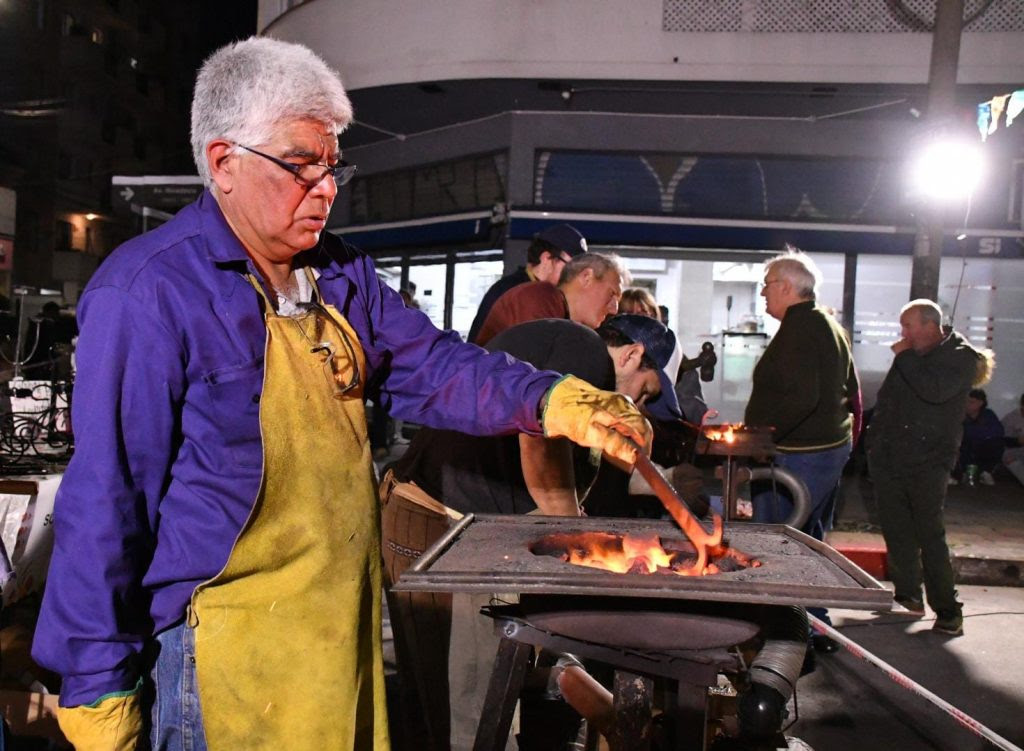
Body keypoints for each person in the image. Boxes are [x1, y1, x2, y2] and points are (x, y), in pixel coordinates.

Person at [30, 37, 652, 751]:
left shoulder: (338, 275)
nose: (326, 188)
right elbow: (108, 499)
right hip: (225, 661)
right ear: (223, 162)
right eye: (301, 166)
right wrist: (96, 681)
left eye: (332, 165)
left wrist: (556, 400)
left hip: (338, 635)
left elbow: (437, 365)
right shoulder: (150, 292)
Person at [382, 314, 681, 750]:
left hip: (441, 520)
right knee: (471, 698)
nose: (638, 402)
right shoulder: (586, 356)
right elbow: (538, 446)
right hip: (442, 527)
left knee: (440, 698)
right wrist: (582, 547)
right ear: (633, 356)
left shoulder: (563, 343)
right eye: (646, 391)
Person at [744, 249, 860, 653]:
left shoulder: (803, 328)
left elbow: (802, 398)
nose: (762, 293)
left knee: (780, 541)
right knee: (808, 539)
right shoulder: (820, 322)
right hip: (824, 448)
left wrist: (761, 438)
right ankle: (815, 625)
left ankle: (789, 630)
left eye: (767, 285)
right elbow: (850, 388)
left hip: (804, 453)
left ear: (787, 288)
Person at [867, 299, 993, 636]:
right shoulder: (913, 355)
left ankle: (948, 610)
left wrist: (905, 355)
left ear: (929, 325)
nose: (903, 334)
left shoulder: (959, 356)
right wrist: (874, 442)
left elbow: (933, 391)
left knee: (929, 534)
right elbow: (891, 397)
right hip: (891, 456)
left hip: (928, 460)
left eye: (908, 326)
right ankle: (908, 595)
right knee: (897, 529)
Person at [473, 252, 626, 346]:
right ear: (586, 277)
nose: (614, 308)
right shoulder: (539, 296)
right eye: (612, 294)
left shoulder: (554, 308)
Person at [466, 223, 587, 343]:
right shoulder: (508, 291)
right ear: (546, 259)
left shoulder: (552, 297)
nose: (575, 277)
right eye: (571, 268)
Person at [953, 388, 1004, 485]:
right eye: (965, 402)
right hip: (965, 450)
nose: (967, 405)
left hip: (982, 450)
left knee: (996, 443)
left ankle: (985, 472)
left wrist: (975, 434)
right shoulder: (960, 416)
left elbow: (997, 432)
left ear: (980, 403)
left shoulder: (988, 415)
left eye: (971, 402)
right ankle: (962, 474)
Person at [1001, 393, 1024, 485]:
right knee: (1011, 461)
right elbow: (1001, 440)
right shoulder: (1011, 418)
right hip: (1012, 452)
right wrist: (1018, 441)